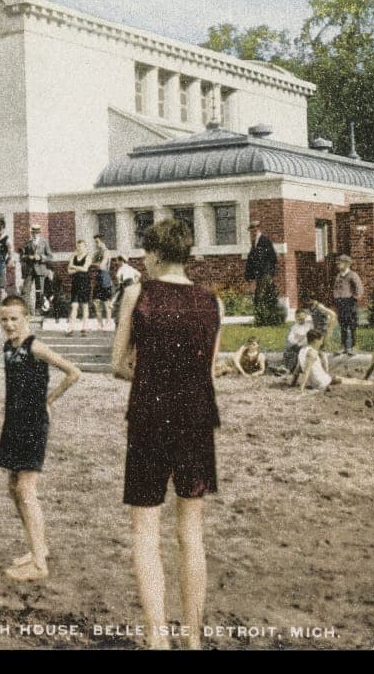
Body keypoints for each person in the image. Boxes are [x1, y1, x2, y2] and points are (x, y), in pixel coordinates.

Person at [111, 218, 222, 649]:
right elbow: (208, 372)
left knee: (145, 531)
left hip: (150, 419)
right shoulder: (211, 301)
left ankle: (159, 640)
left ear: (153, 255)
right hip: (196, 419)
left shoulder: (137, 294)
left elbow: (118, 364)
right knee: (191, 534)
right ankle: (193, 640)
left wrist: (147, 374)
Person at [0, 295, 82, 581]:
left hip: (33, 425)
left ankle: (38, 565)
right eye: (4, 319)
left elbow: (72, 372)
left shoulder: (36, 346)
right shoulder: (8, 347)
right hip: (14, 424)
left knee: (25, 490)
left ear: (26, 319)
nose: (9, 325)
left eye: (14, 319)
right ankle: (38, 549)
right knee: (13, 487)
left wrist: (51, 399)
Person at [294, 329, 371, 391]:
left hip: (317, 382)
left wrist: (292, 383)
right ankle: (371, 383)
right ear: (315, 340)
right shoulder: (312, 352)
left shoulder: (301, 351)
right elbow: (306, 371)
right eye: (321, 340)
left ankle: (370, 383)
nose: (321, 343)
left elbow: (297, 370)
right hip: (323, 382)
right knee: (353, 381)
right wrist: (301, 388)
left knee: (345, 379)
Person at [19, 224, 54, 316]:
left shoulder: (44, 242)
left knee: (40, 291)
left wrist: (41, 257)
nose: (35, 235)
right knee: (25, 291)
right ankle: (28, 312)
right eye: (33, 233)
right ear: (31, 233)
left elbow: (50, 257)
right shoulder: (28, 243)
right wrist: (28, 256)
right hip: (29, 270)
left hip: (41, 269)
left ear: (39, 233)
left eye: (37, 233)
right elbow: (22, 256)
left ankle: (38, 311)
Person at [244, 220, 278, 316]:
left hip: (265, 273)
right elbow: (251, 260)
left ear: (258, 229)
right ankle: (260, 315)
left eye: (254, 230)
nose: (253, 232)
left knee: (260, 294)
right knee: (259, 295)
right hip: (259, 274)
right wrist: (249, 276)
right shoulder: (254, 242)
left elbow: (273, 257)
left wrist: (270, 273)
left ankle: (262, 315)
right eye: (251, 231)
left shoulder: (265, 240)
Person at [333, 255, 364, 355]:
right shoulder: (338, 276)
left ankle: (354, 346)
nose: (338, 265)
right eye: (337, 263)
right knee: (343, 325)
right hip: (340, 302)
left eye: (340, 263)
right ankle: (343, 346)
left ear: (347, 263)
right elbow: (336, 288)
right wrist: (336, 299)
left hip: (349, 302)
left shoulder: (352, 275)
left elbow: (359, 287)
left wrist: (355, 298)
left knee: (352, 324)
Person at [67, 239, 92, 335]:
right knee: (74, 306)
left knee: (85, 306)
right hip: (75, 283)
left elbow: (85, 269)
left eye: (81, 246)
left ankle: (84, 328)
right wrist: (77, 268)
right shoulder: (73, 257)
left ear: (85, 247)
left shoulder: (88, 257)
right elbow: (69, 271)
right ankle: (71, 328)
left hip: (85, 283)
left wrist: (74, 266)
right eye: (78, 246)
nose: (79, 248)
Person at [90, 235, 113, 329]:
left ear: (102, 242)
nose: (96, 244)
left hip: (105, 278)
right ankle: (100, 323)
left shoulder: (106, 252)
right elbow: (91, 264)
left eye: (97, 242)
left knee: (106, 302)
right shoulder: (96, 253)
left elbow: (102, 266)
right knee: (96, 301)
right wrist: (93, 264)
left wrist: (92, 264)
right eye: (95, 242)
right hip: (98, 279)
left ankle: (108, 322)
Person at [282, 309, 313, 375]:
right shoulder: (294, 327)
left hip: (307, 345)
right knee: (289, 350)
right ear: (295, 317)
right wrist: (297, 341)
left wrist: (300, 339)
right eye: (298, 316)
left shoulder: (309, 326)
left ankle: (289, 369)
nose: (300, 318)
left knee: (297, 350)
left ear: (305, 316)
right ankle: (286, 368)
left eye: (302, 316)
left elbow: (309, 337)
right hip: (297, 344)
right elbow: (291, 338)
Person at [111, 256, 141, 323]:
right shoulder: (130, 267)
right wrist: (135, 281)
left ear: (121, 261)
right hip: (131, 283)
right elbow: (139, 274)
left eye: (118, 261)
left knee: (119, 297)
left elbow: (118, 276)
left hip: (126, 283)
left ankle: (112, 304)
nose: (117, 262)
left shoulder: (121, 268)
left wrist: (119, 283)